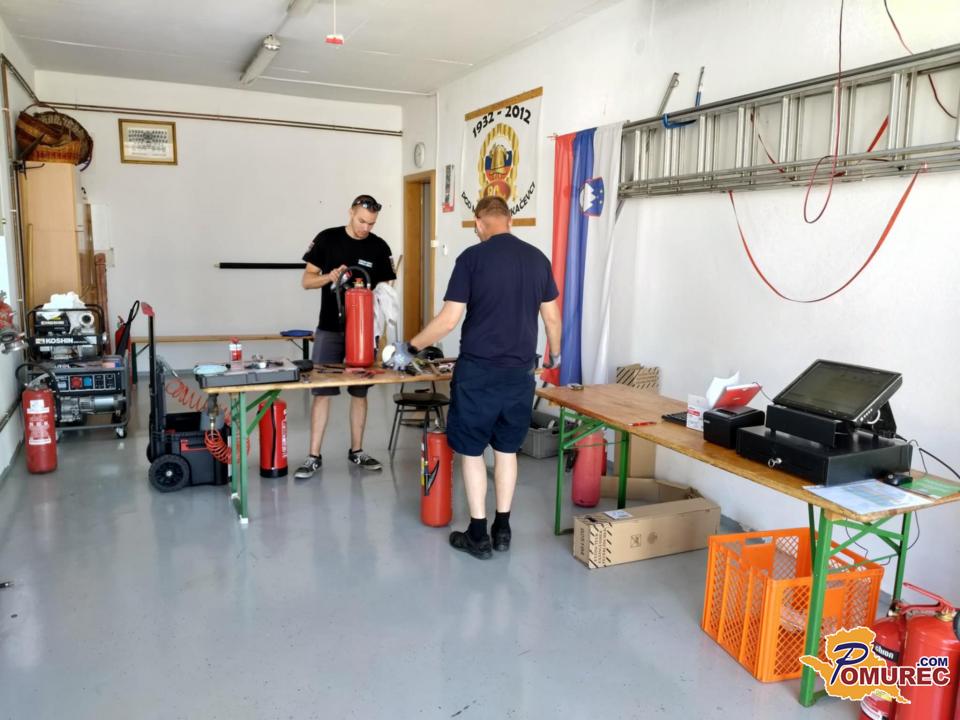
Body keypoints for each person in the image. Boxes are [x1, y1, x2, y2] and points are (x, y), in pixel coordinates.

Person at [398, 196, 561, 559]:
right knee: (507, 450)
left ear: (478, 223)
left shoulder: (471, 258)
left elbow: (448, 320)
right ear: (510, 221)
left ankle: (478, 534)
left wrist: (410, 347)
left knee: (471, 451)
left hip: (478, 373)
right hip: (520, 373)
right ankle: (502, 530)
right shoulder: (538, 259)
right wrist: (556, 354)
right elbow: (552, 317)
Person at [294, 194, 396, 478]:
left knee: (360, 392)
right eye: (362, 221)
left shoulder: (379, 247)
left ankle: (357, 451)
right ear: (351, 212)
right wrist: (329, 277)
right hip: (330, 328)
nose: (366, 228)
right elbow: (306, 281)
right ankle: (313, 456)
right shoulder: (327, 239)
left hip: (363, 332)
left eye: (371, 223)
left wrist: (379, 300)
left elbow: (387, 288)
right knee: (322, 392)